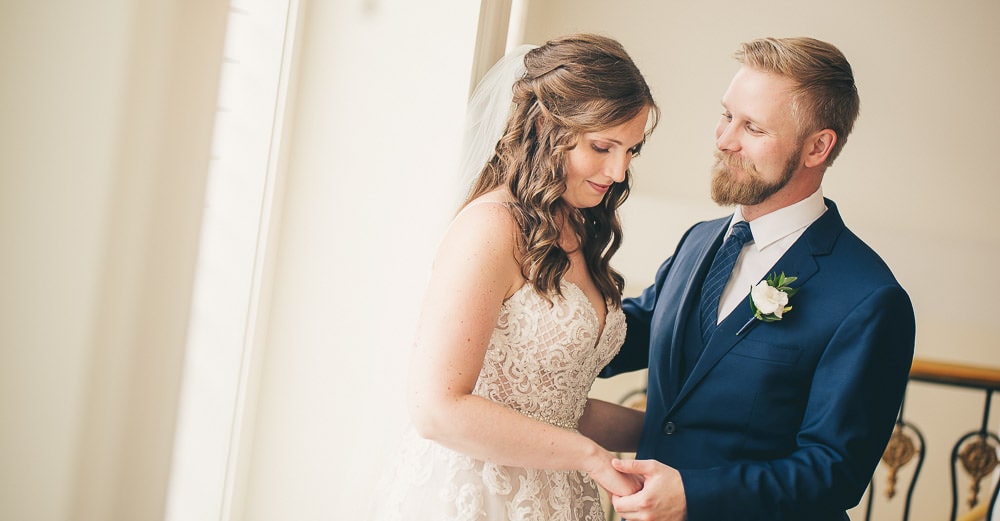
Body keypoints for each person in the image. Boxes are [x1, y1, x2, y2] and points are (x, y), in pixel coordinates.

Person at [601, 37, 916, 521]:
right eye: (727, 115)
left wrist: (693, 494)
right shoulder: (699, 241)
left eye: (753, 127)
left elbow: (834, 470)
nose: (724, 138)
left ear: (817, 147)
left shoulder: (869, 298)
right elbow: (625, 336)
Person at [371, 33, 659, 521]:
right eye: (603, 146)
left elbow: (556, 406)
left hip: (559, 497)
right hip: (477, 496)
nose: (618, 170)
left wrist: (668, 430)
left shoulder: (577, 225)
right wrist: (587, 456)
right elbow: (436, 409)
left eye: (631, 150)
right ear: (547, 125)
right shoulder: (490, 228)